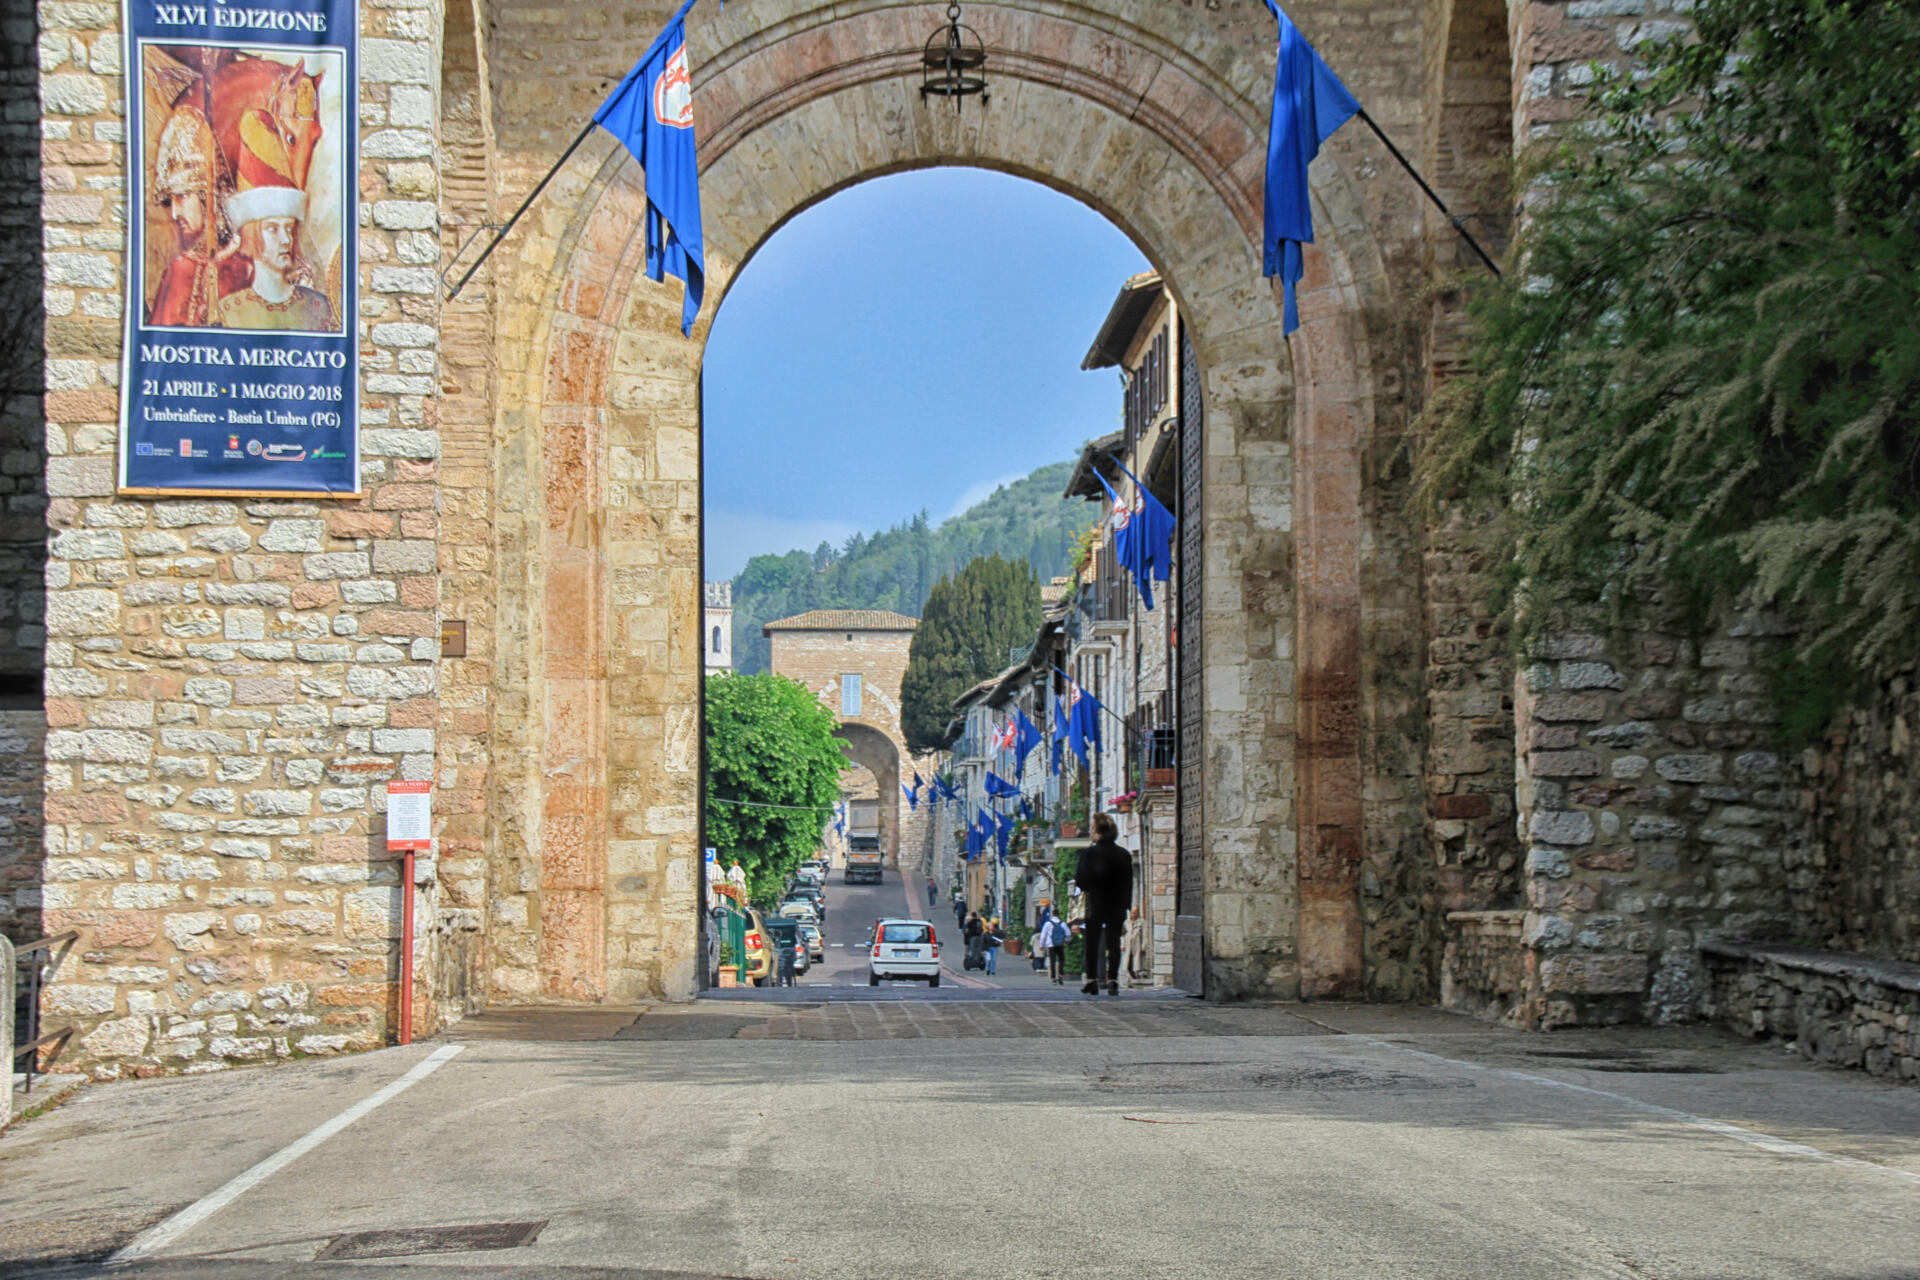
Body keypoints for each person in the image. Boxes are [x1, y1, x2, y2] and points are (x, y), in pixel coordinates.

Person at [212, 112, 335, 332]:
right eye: (272, 228)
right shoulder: (229, 311)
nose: (286, 239)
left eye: (289, 228)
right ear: (251, 233)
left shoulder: (318, 307)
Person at [1074, 813, 1133, 996]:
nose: (1091, 832)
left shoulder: (1089, 854)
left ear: (1098, 832)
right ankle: (1113, 980)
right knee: (1113, 942)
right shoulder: (1123, 854)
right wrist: (1126, 905)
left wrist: (1091, 886)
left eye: (1092, 829)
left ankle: (1092, 980)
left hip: (1095, 901)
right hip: (1116, 903)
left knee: (1092, 941)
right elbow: (1128, 882)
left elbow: (1080, 880)